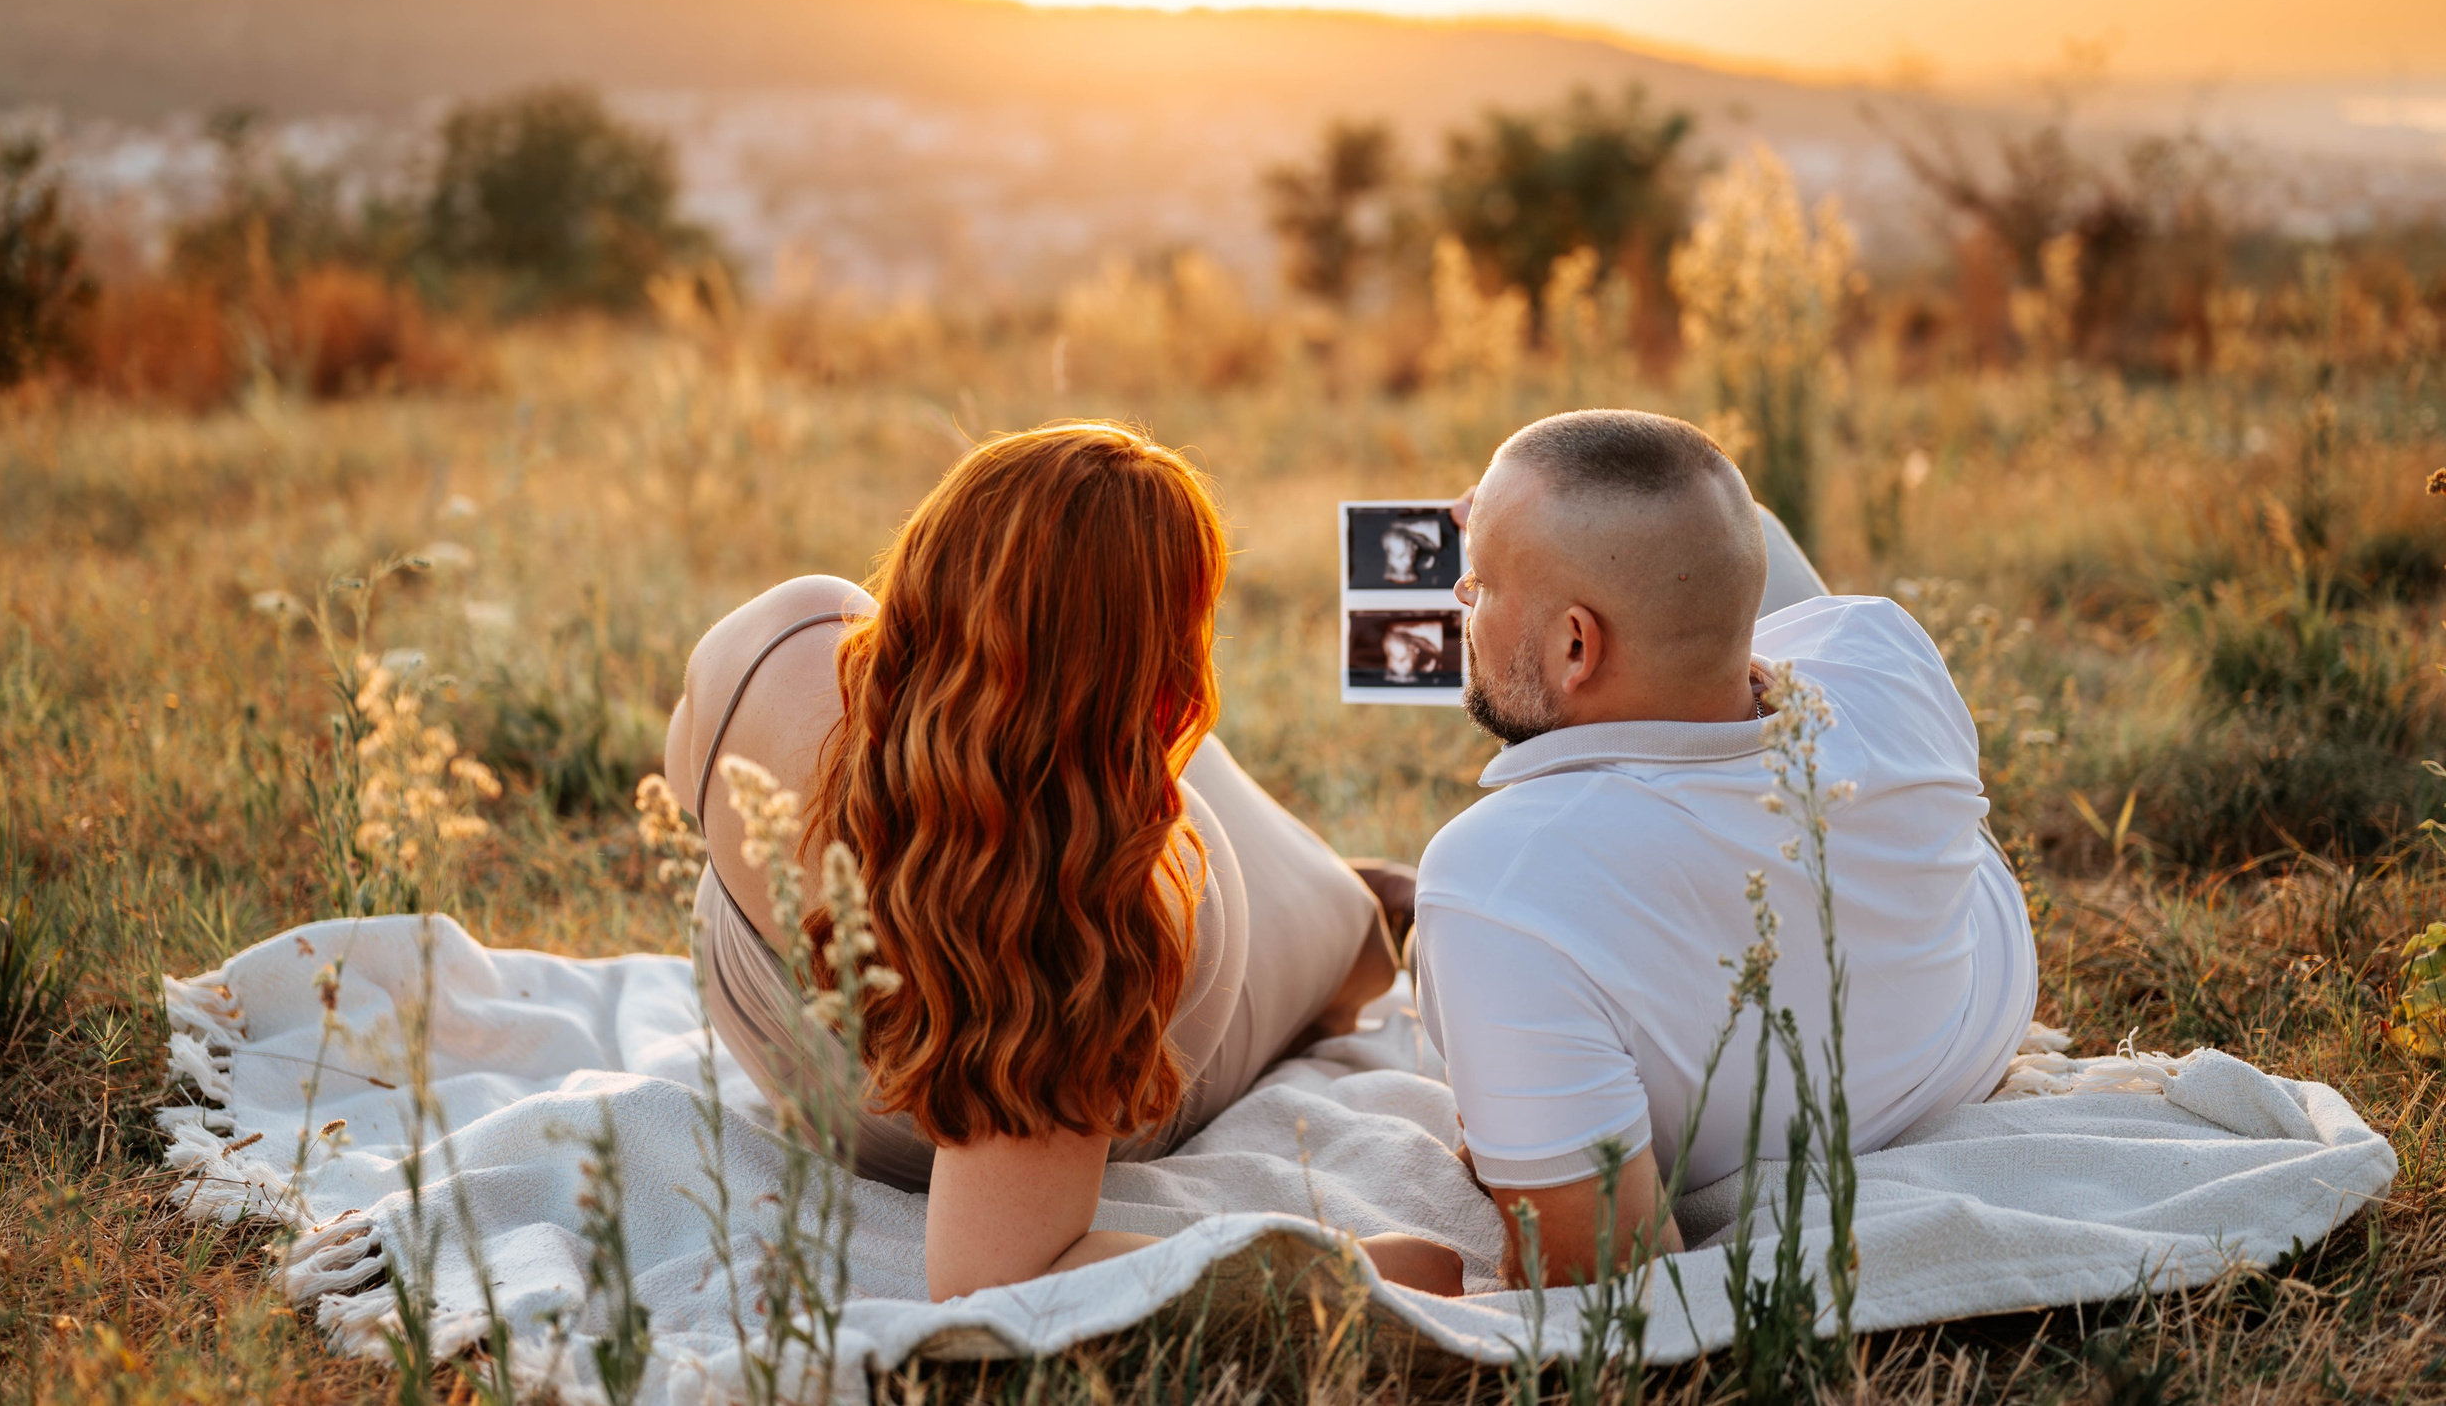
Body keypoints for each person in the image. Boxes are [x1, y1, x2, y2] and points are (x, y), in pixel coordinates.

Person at [663, 422, 1460, 1301]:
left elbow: (687, 774)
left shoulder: (780, 641)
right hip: (1140, 959)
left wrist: (912, 788)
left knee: (1177, 795)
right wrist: (1337, 1268)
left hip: (953, 897)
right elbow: (995, 1272)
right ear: (1168, 679)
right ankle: (1356, 893)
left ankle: (1334, 875)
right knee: (1345, 942)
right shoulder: (1085, 920)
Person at [1415, 409, 2036, 1287]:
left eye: (1476, 585)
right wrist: (1541, 547)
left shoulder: (1494, 885)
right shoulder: (1878, 648)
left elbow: (1598, 1274)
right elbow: (1708, 615)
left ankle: (1598, 548)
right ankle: (1625, 544)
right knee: (1704, 546)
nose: (1457, 600)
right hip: (1969, 989)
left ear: (1574, 644)